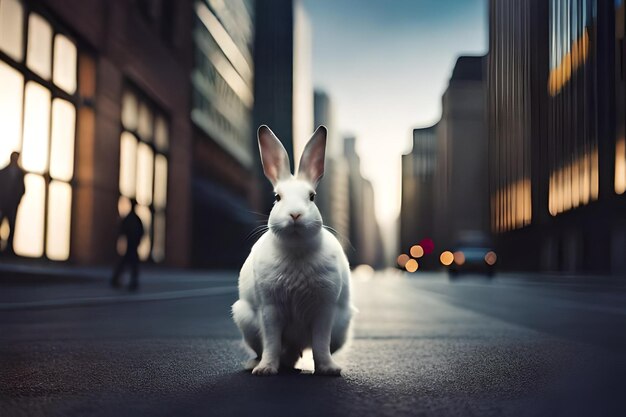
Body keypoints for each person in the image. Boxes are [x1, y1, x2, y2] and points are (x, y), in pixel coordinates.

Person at [111, 201, 145, 290]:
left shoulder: (130, 218)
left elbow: (122, 230)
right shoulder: (134, 219)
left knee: (127, 262)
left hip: (132, 245)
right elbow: (140, 232)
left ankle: (118, 279)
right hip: (131, 245)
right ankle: (130, 281)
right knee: (131, 263)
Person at [0, 152, 26, 255]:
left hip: (12, 206)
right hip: (2, 205)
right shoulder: (3, 172)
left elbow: (22, 189)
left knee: (12, 226)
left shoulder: (20, 174)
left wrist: (17, 201)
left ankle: (9, 248)